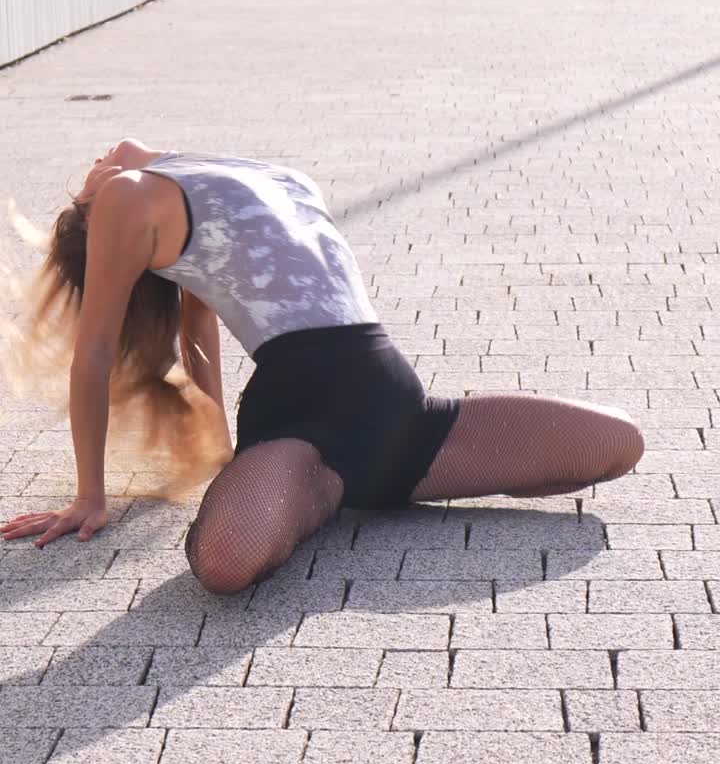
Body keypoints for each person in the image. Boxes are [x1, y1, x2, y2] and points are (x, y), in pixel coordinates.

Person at [0, 138, 644, 593]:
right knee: (225, 565)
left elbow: (198, 323)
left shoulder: (178, 174)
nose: (86, 170)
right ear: (93, 218)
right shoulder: (127, 199)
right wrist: (91, 496)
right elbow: (96, 347)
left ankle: (334, 492)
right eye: (78, 199)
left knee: (619, 443)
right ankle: (311, 489)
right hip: (298, 424)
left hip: (400, 415)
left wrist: (214, 442)